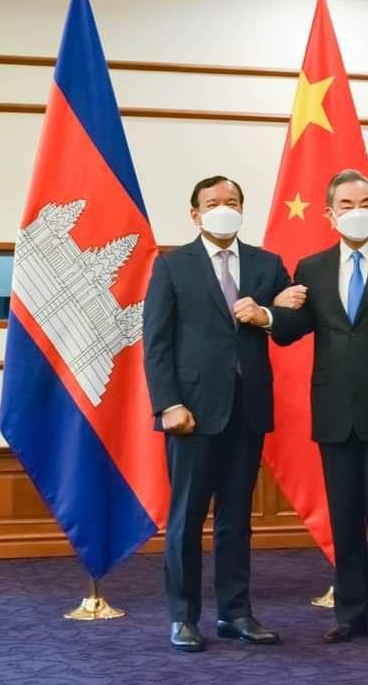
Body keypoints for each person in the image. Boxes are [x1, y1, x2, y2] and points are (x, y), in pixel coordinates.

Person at [235, 168, 368, 647]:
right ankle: (350, 614)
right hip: (333, 411)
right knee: (344, 519)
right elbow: (292, 329)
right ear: (329, 214)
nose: (357, 211)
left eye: (365, 203)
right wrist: (265, 314)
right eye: (346, 205)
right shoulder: (313, 268)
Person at [143, 175, 290, 653]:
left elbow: (293, 324)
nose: (223, 208)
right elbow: (156, 343)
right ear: (195, 214)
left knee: (236, 518)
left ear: (243, 208)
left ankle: (236, 613)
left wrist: (269, 314)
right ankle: (183, 618)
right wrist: (168, 404)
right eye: (212, 203)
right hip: (191, 413)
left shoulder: (268, 264)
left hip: (247, 411)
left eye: (232, 201)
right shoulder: (172, 266)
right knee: (186, 518)